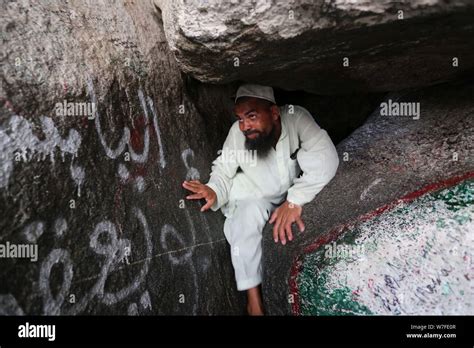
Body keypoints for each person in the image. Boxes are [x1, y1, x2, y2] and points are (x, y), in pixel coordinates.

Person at [182, 83, 339, 315]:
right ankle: (253, 300)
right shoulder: (238, 133)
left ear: (274, 113)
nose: (245, 126)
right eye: (240, 119)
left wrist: (294, 201)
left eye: (252, 116)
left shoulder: (296, 118)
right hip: (252, 194)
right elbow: (223, 171)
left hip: (287, 193)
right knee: (248, 215)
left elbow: (327, 158)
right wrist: (214, 190)